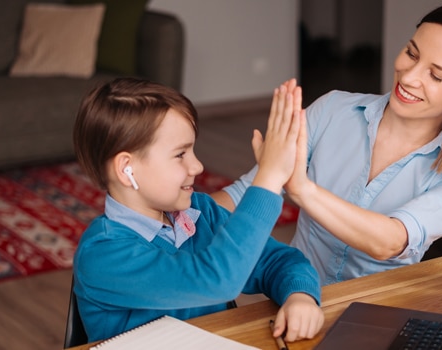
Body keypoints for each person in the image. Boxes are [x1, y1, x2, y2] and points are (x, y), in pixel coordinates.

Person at [212, 1, 442, 285]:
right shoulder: (332, 110)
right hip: (294, 293)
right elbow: (245, 193)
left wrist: (302, 190)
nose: (408, 77)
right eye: (411, 53)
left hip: (378, 315)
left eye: (435, 75)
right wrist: (179, 219)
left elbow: (389, 241)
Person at [71, 77, 324, 343]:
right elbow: (216, 279)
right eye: (180, 154)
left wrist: (300, 296)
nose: (198, 166)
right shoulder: (102, 254)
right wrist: (268, 179)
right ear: (127, 169)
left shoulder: (202, 213)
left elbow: (278, 261)